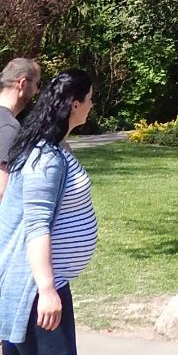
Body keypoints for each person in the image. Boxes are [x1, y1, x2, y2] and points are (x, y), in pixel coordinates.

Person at [0, 68, 97, 355]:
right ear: (75, 105)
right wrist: (46, 290)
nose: (92, 105)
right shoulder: (44, 159)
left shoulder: (53, 146)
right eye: (89, 99)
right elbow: (37, 226)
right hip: (34, 292)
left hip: (47, 286)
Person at [0, 61, 41, 200]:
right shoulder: (9, 127)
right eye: (37, 84)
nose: (37, 91)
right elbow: (2, 189)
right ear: (22, 84)